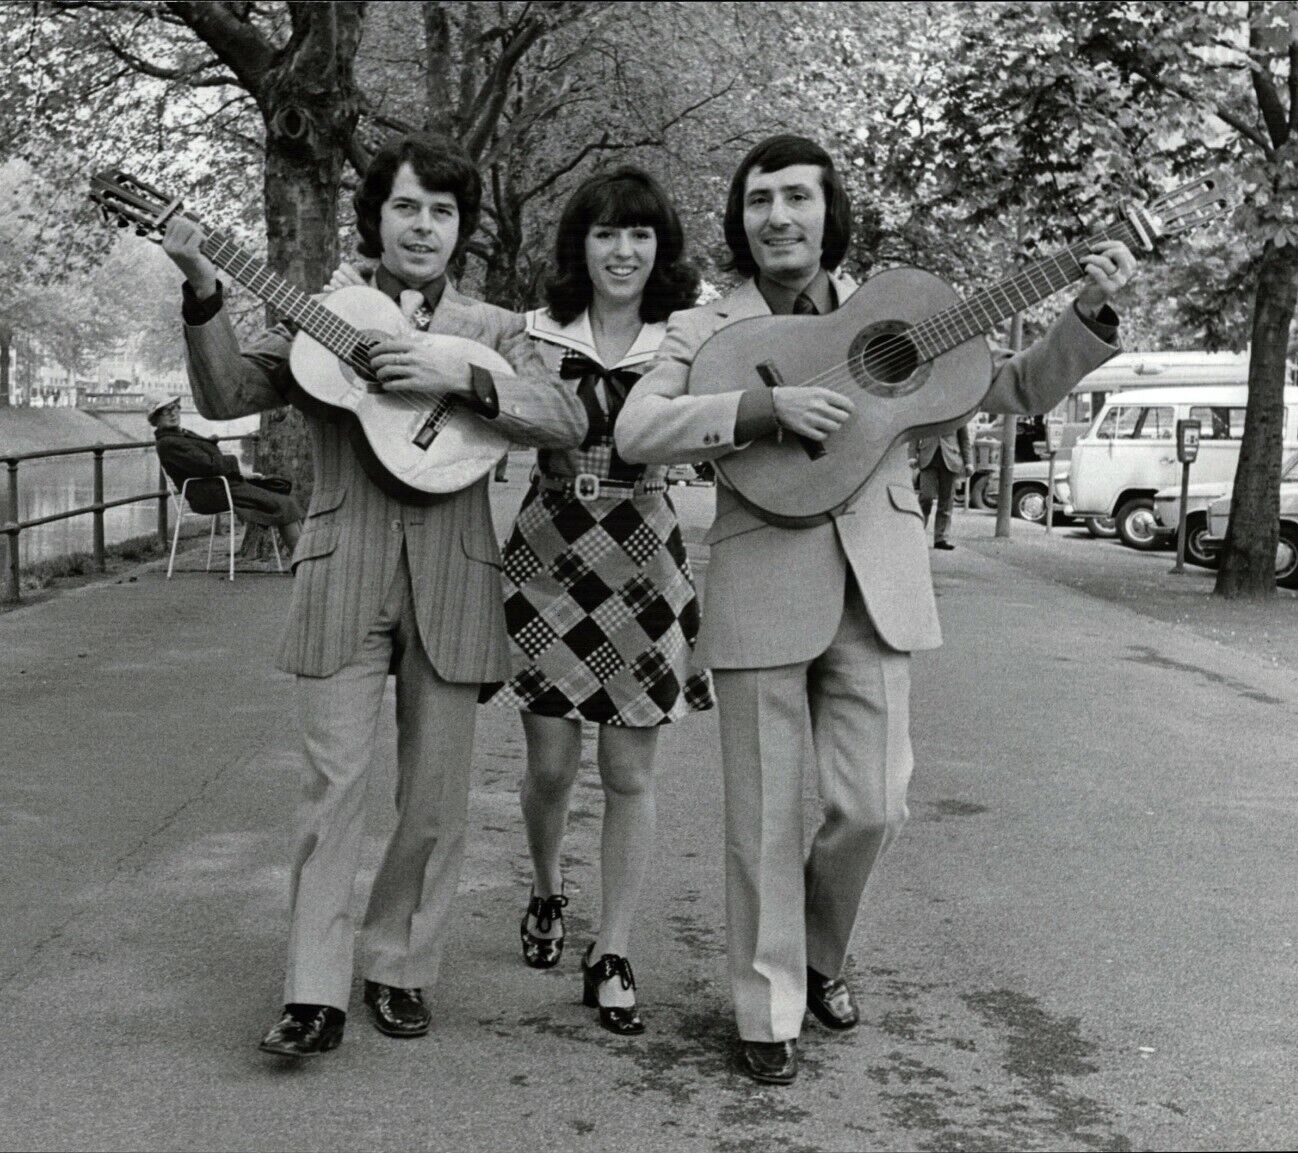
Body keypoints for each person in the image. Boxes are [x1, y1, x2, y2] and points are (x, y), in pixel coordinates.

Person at [614, 134, 1136, 1084]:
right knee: (763, 816)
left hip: (879, 585)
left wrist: (1087, 311)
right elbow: (638, 427)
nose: (779, 216)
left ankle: (817, 954)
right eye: (761, 199)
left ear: (829, 214)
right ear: (741, 218)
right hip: (761, 577)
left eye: (799, 199)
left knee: (874, 806)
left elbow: (1006, 386)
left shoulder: (891, 313)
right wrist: (759, 414)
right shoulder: (707, 326)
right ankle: (767, 1008)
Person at [161, 133, 588, 1060]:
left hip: (456, 577)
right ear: (376, 218)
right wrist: (201, 282)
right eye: (406, 207)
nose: (424, 226)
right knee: (331, 791)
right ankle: (313, 992)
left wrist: (460, 378)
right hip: (342, 567)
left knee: (432, 798)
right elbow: (229, 392)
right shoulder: (321, 312)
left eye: (441, 211)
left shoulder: (495, 328)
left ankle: (398, 964)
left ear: (461, 229)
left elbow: (566, 418)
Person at [482, 166, 712, 1035]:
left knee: (629, 773)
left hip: (647, 562)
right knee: (549, 766)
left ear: (662, 249)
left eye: (641, 234)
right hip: (548, 557)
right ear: (582, 244)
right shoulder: (533, 335)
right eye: (607, 233)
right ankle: (545, 888)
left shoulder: (688, 338)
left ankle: (612, 948)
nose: (624, 250)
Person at [147, 394, 303, 556]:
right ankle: (301, 560)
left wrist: (242, 474)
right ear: (156, 419)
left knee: (280, 490)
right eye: (166, 411)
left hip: (219, 486)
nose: (173, 414)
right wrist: (234, 466)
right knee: (282, 503)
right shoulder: (169, 442)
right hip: (210, 493)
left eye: (175, 408)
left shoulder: (178, 435)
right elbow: (208, 466)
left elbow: (209, 463)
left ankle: (302, 556)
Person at [913, 421, 974, 549]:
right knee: (926, 497)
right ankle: (917, 534)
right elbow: (914, 434)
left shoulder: (958, 412)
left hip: (951, 459)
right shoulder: (926, 411)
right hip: (928, 459)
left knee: (946, 501)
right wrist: (912, 455)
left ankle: (941, 538)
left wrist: (969, 462)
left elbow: (964, 439)